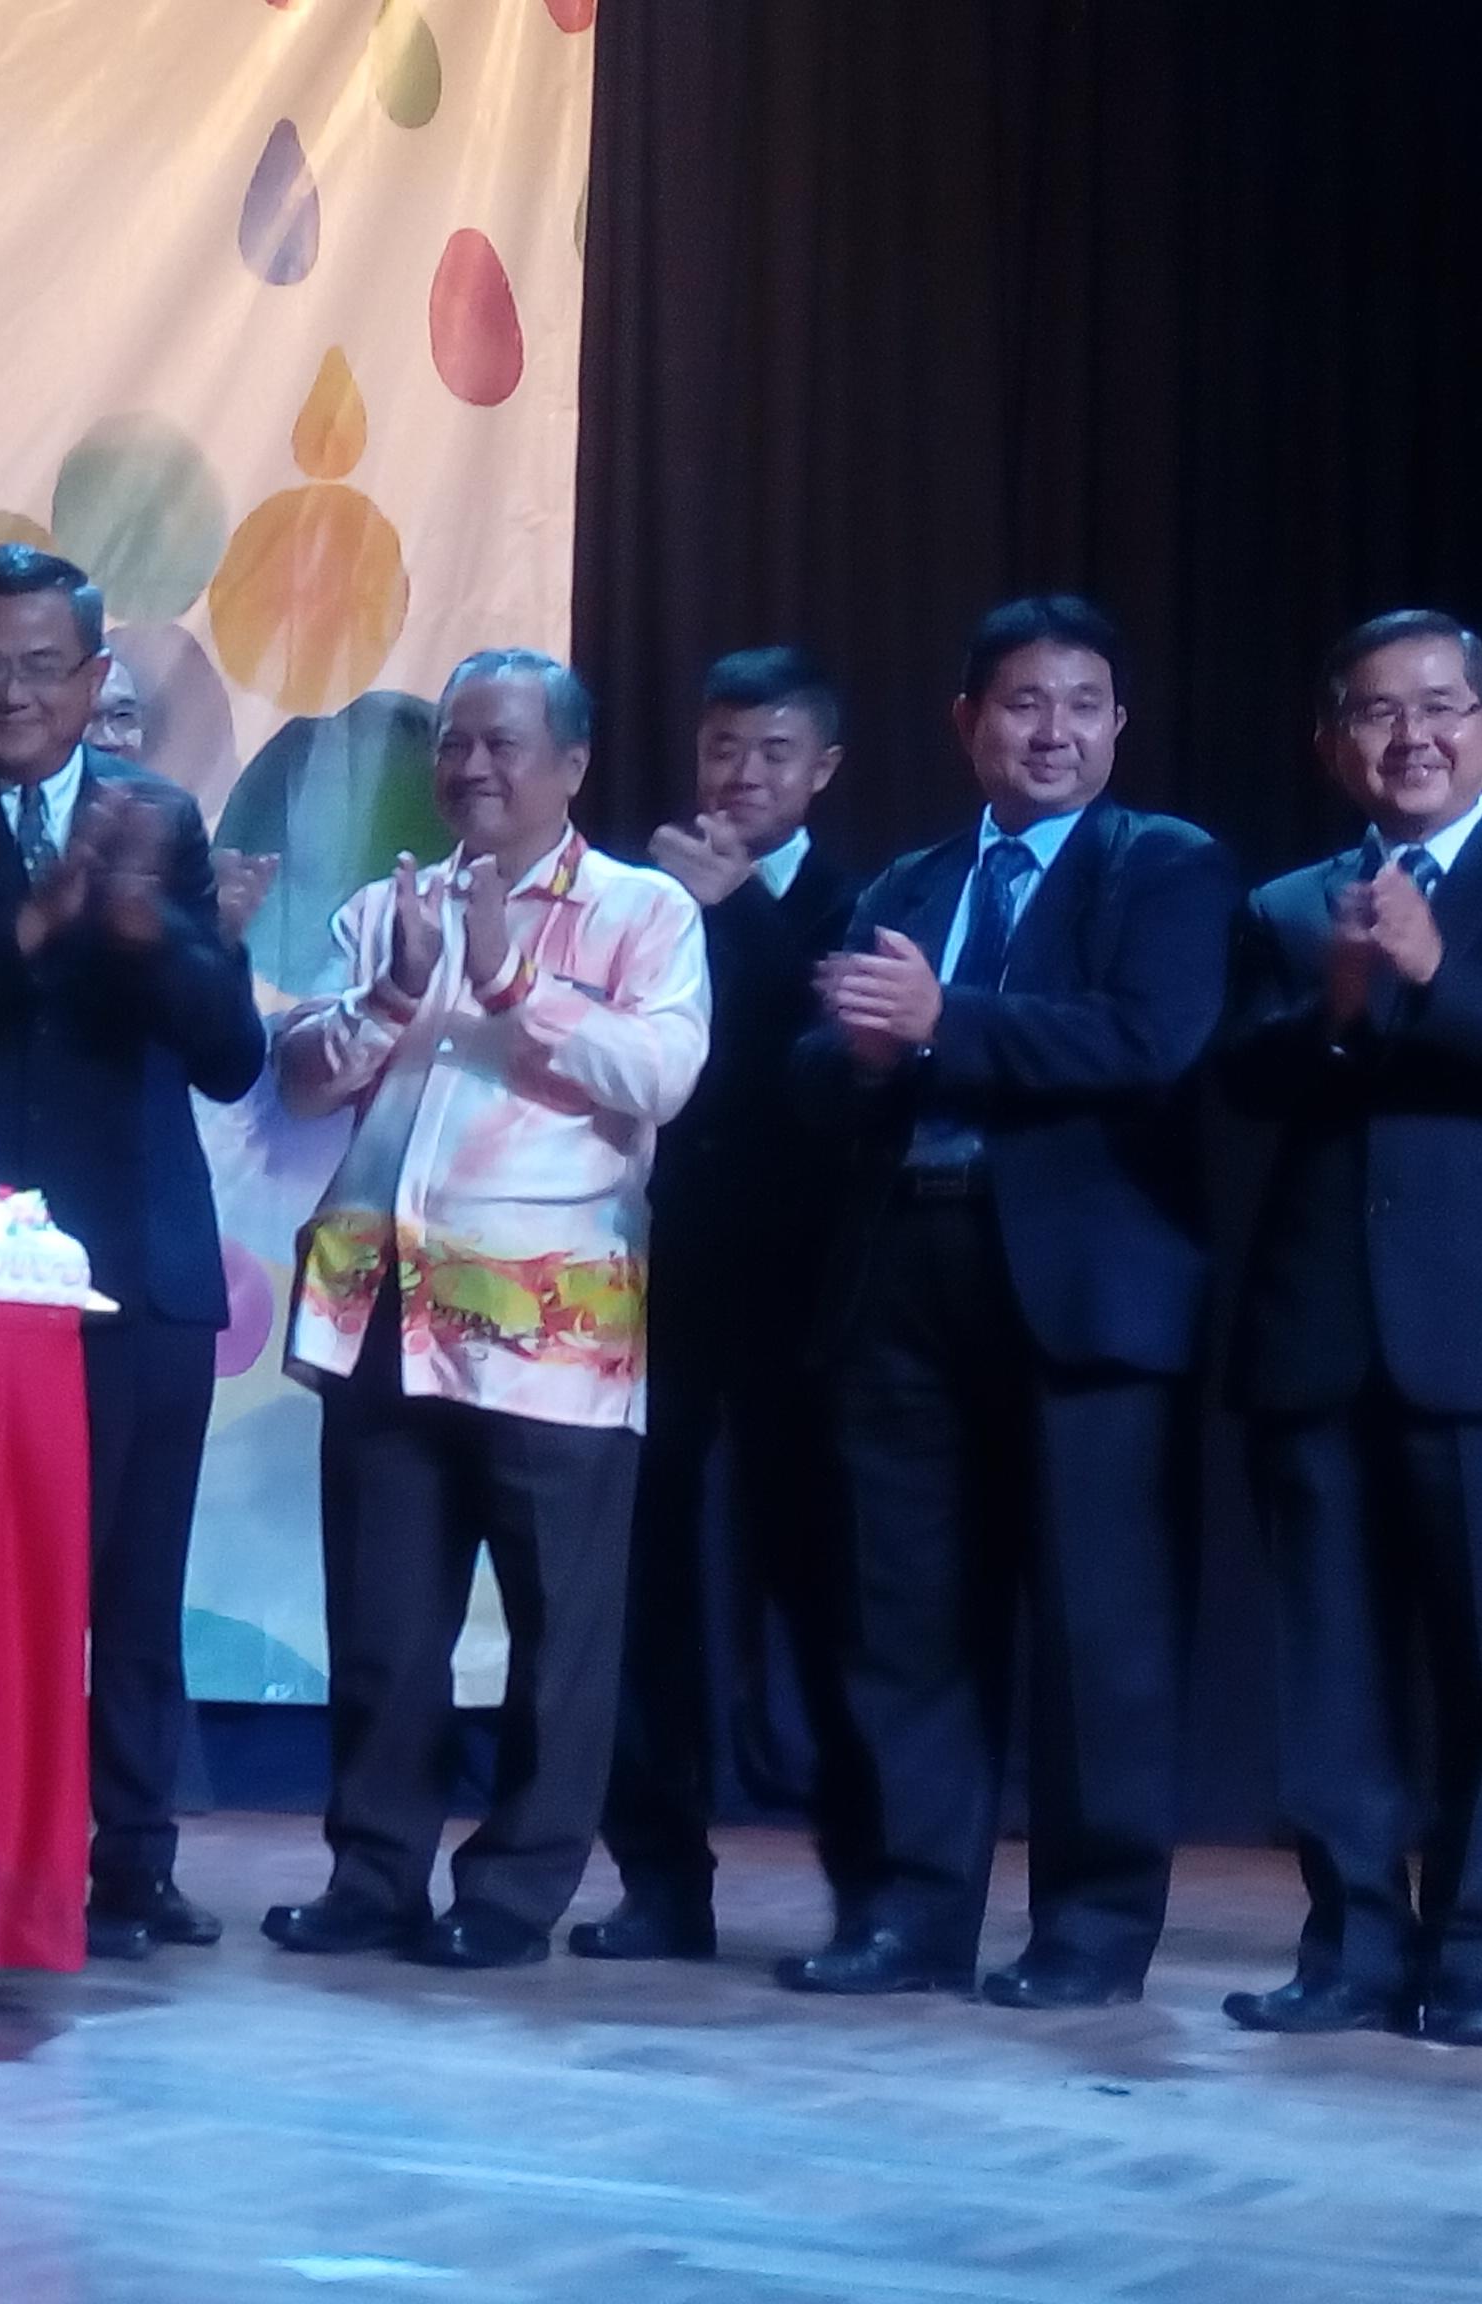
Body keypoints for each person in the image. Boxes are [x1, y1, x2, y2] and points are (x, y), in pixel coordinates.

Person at [784, 594, 1235, 2009]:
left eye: (1084, 705)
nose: (1054, 730)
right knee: (905, 1612)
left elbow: (1149, 1040)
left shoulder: (1164, 866)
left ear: (1117, 727)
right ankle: (912, 1916)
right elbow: (814, 1068)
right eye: (1025, 703)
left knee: (1099, 1625)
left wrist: (940, 1028)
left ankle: (1092, 1937)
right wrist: (853, 1056)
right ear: (968, 723)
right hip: (905, 1271)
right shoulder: (910, 882)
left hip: (1087, 1288)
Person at [0, 542, 264, 1961]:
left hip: (129, 1255)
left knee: (133, 1591)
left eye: (41, 668)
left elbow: (226, 1049)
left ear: (94, 680)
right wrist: (38, 918)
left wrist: (142, 926)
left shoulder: (161, 816)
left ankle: (133, 1861)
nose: (12, 695)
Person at [265, 649, 707, 1971]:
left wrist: (517, 986)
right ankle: (373, 1877)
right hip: (383, 1305)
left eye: (504, 745)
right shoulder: (389, 906)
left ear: (573, 765)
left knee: (559, 1633)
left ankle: (513, 1898)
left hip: (549, 1326)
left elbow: (663, 1076)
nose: (471, 768)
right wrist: (399, 989)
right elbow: (298, 1080)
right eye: (455, 744)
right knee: (385, 1626)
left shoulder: (644, 912)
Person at [1215, 610, 1482, 2044]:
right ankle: (1352, 1948)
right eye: (1379, 714)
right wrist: (1334, 1005)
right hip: (1322, 1340)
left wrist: (1438, 976)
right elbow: (1228, 1105)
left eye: (1441, 707)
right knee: (1335, 1663)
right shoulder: (1283, 905)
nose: (1413, 738)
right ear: (1336, 745)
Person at [578, 646, 870, 1961]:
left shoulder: (863, 901)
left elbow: (819, 1070)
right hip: (658, 1283)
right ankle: (659, 1880)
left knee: (828, 1591)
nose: (741, 775)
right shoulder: (633, 902)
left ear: (823, 770)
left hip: (813, 1301)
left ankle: (871, 1889)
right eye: (720, 749)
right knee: (650, 1589)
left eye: (772, 752)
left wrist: (740, 909)